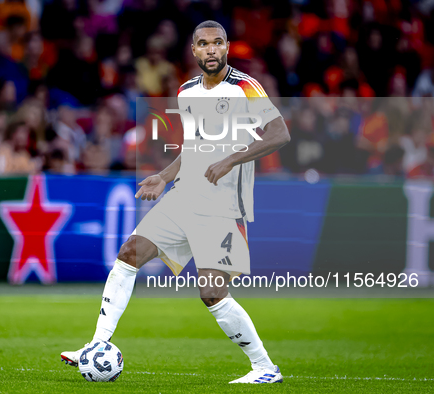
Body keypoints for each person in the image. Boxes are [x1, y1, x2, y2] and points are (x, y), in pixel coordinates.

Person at [61, 21, 290, 384]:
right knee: (129, 254)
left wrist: (231, 159)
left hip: (223, 204)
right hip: (183, 196)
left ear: (227, 47)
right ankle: (96, 344)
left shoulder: (246, 87)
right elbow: (194, 148)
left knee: (212, 293)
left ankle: (265, 368)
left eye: (218, 43)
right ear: (194, 51)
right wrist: (163, 177)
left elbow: (280, 133)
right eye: (203, 44)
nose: (211, 49)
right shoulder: (186, 92)